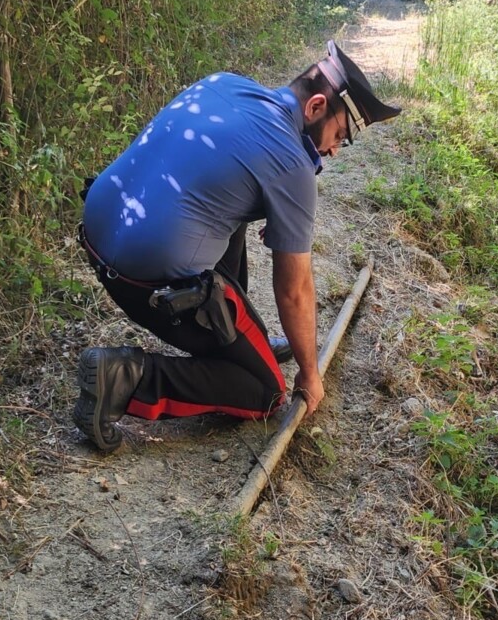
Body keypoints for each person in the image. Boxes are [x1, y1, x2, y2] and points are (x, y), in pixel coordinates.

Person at [73, 41, 401, 452]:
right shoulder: (292, 165)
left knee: (232, 213)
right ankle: (124, 379)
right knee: (264, 390)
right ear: (316, 106)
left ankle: (246, 341)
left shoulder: (225, 83)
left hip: (96, 239)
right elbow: (294, 290)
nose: (334, 150)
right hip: (145, 288)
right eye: (340, 135)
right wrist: (309, 372)